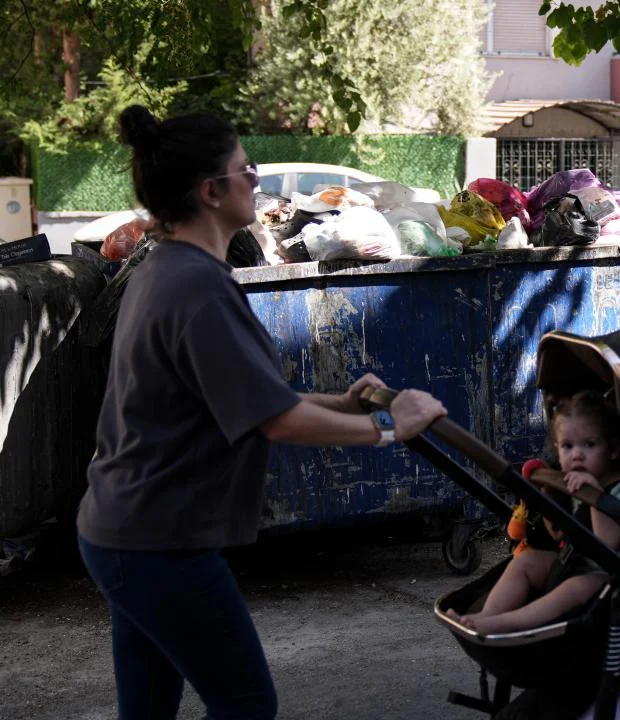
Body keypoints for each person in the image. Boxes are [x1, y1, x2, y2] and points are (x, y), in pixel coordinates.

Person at [75, 105, 448, 720]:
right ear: (210, 191)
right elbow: (277, 422)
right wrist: (389, 426)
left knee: (148, 708)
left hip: (126, 530)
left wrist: (339, 402)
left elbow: (246, 399)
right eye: (245, 169)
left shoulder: (165, 269)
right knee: (245, 703)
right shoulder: (197, 287)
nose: (255, 179)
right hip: (159, 544)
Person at [449, 390, 620, 635]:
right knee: (527, 561)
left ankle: (502, 624)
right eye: (567, 446)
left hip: (609, 578)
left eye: (590, 444)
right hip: (572, 563)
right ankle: (486, 615)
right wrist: (551, 504)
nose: (577, 454)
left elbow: (609, 544)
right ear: (556, 449)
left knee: (574, 587)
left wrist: (597, 497)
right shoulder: (574, 483)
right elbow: (562, 535)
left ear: (612, 449)